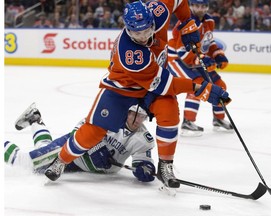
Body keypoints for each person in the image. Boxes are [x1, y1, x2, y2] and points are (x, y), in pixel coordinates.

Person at [44, 0, 231, 189]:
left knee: (170, 114)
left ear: (152, 21)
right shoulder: (131, 54)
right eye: (136, 33)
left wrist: (186, 21)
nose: (142, 37)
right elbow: (165, 85)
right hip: (122, 88)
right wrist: (202, 89)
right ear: (127, 28)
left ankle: (166, 166)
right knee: (93, 131)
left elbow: (178, 1)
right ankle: (61, 160)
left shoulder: (159, 10)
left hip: (154, 82)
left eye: (147, 30)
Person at [4, 103, 156, 183]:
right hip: (70, 152)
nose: (137, 120)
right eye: (133, 115)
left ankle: (35, 120)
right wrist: (93, 146)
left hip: (85, 168)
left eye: (141, 116)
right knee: (23, 163)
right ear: (127, 112)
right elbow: (79, 129)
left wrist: (145, 170)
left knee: (43, 151)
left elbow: (144, 162)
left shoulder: (143, 138)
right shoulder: (109, 116)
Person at [167, 0, 233, 137]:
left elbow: (208, 42)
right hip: (176, 59)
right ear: (191, 6)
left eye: (203, 6)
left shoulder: (209, 21)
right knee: (197, 86)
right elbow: (182, 51)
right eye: (197, 5)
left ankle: (219, 119)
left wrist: (217, 54)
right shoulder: (184, 23)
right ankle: (187, 122)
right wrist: (203, 59)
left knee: (220, 85)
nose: (200, 9)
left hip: (194, 58)